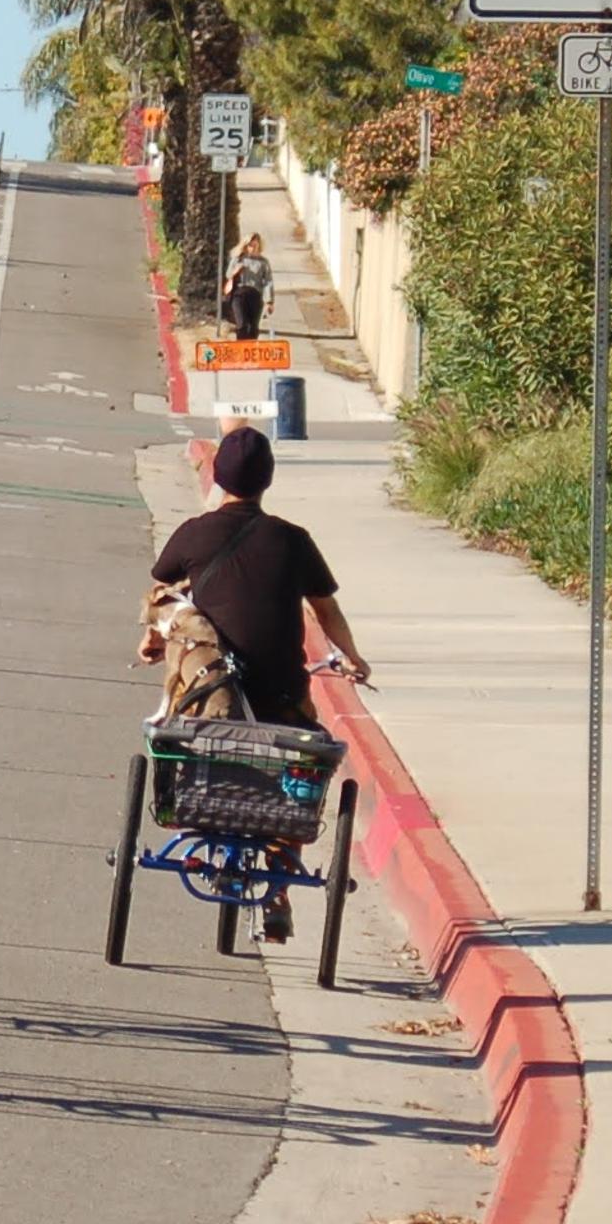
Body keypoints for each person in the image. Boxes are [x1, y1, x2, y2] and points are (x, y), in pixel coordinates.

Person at [142, 424, 370, 941]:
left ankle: (210, 831)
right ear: (268, 480)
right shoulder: (293, 541)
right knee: (296, 764)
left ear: (218, 477)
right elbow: (326, 609)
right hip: (282, 700)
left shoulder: (194, 534)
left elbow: (163, 588)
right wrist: (352, 657)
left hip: (208, 702)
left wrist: (156, 640)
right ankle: (279, 884)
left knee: (200, 742)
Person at [220, 231, 273, 341]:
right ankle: (241, 350)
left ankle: (251, 352)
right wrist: (236, 271)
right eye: (250, 245)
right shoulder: (238, 259)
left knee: (253, 328)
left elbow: (268, 281)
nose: (252, 248)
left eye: (255, 246)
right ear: (245, 246)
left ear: (259, 246)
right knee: (242, 325)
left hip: (255, 295)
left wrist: (269, 301)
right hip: (239, 295)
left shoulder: (263, 262)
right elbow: (228, 275)